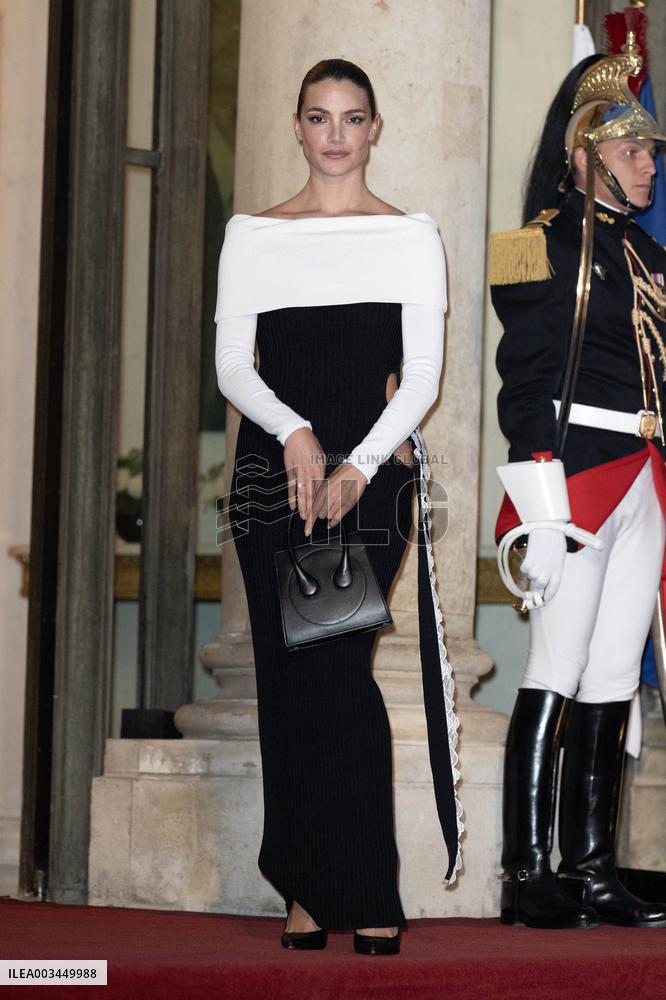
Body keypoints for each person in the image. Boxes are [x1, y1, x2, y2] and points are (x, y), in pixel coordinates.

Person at [214, 59, 461, 954]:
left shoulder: (410, 235)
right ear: (297, 125)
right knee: (288, 682)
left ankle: (361, 883)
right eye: (318, 118)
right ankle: (308, 889)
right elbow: (233, 365)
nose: (334, 136)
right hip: (273, 478)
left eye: (351, 119)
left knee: (340, 668)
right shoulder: (251, 234)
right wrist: (291, 433)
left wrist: (354, 463)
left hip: (370, 478)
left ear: (374, 128)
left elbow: (423, 377)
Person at [490, 39, 666, 930]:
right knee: (556, 667)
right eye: (633, 149)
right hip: (580, 478)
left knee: (610, 676)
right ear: (585, 149)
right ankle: (527, 873)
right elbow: (524, 387)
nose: (648, 165)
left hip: (645, 478)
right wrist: (542, 508)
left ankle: (591, 869)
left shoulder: (650, 259)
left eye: (650, 151)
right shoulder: (532, 248)